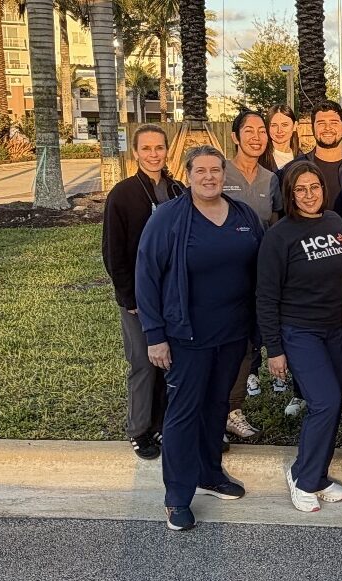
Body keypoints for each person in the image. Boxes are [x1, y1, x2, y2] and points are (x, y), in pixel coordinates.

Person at [136, 145, 264, 531]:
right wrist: (155, 335)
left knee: (216, 406)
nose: (209, 177)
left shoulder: (243, 215)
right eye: (201, 171)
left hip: (232, 335)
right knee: (183, 413)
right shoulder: (169, 219)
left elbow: (260, 269)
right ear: (188, 175)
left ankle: (209, 473)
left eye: (216, 170)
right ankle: (177, 496)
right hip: (186, 336)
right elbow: (147, 276)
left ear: (225, 175)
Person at [256, 160, 342, 512]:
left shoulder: (335, 222)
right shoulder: (278, 235)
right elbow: (266, 297)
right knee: (324, 401)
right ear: (290, 194)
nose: (309, 195)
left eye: (314, 188)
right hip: (299, 331)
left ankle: (318, 473)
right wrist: (275, 350)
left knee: (334, 401)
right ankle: (304, 478)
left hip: (336, 329)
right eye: (301, 189)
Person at [280, 100, 342, 417]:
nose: (328, 127)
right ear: (312, 128)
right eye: (321, 122)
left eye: (334, 122)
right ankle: (301, 391)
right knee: (305, 329)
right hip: (304, 262)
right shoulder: (294, 170)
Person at [102, 124, 185, 460]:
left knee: (170, 362)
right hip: (139, 297)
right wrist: (129, 298)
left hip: (173, 295)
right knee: (143, 361)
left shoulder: (178, 190)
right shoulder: (122, 194)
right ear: (135, 152)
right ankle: (139, 428)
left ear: (167, 151)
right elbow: (113, 252)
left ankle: (164, 424)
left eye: (159, 148)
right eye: (146, 148)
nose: (153, 154)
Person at [223, 109, 283, 440]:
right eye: (249, 130)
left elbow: (273, 226)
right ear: (235, 136)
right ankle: (211, 408)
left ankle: (232, 410)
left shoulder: (270, 179)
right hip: (222, 277)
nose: (257, 137)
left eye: (262, 131)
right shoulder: (220, 172)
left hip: (257, 278)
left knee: (248, 344)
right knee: (221, 344)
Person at [261, 104, 301, 172]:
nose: (279, 130)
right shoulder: (259, 158)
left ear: (295, 126)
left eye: (284, 125)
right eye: (274, 125)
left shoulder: (303, 159)